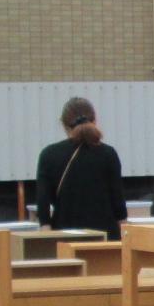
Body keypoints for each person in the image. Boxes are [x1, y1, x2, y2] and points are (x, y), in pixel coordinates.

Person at [35, 96, 127, 242]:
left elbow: (43, 203)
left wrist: (46, 232)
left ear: (64, 125)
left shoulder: (48, 155)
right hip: (105, 237)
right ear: (95, 121)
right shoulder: (108, 154)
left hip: (65, 236)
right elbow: (118, 203)